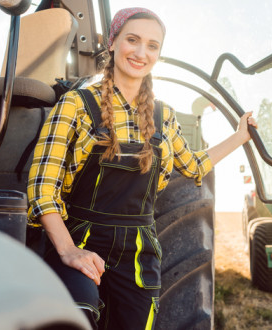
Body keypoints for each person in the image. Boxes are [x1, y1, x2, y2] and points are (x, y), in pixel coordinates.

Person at [27, 7, 257, 329]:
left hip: (138, 254)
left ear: (158, 55)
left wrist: (239, 136)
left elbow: (193, 167)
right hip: (81, 240)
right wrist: (69, 251)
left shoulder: (164, 116)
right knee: (77, 317)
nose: (140, 52)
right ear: (112, 43)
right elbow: (41, 189)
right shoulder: (76, 105)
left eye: (152, 46)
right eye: (132, 40)